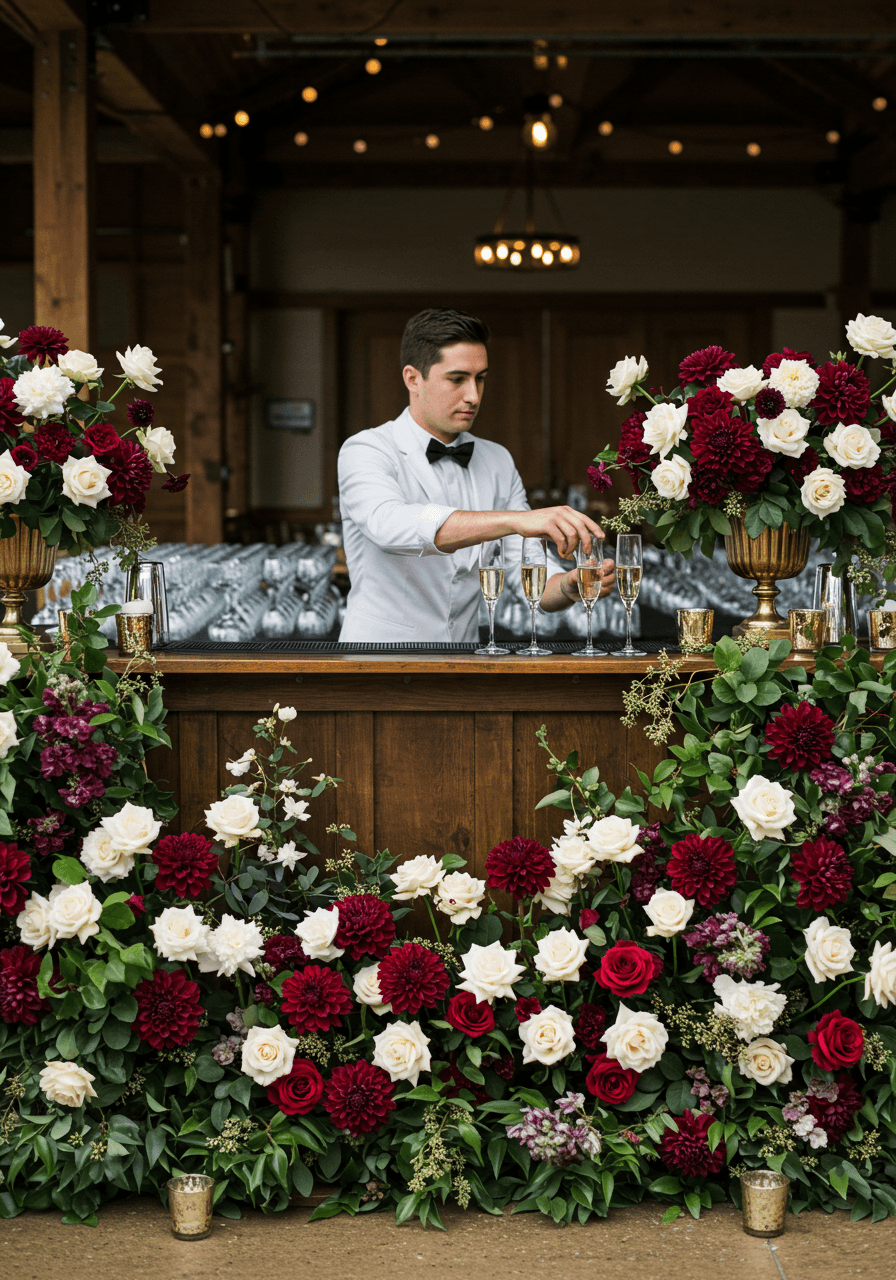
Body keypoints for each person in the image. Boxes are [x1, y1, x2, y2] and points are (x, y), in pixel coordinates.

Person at [337, 307, 615, 642]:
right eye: (457, 379)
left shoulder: (497, 459)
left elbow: (525, 574)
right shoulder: (367, 449)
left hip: (465, 661)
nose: (473, 395)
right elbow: (389, 524)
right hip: (378, 660)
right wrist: (513, 520)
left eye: (480, 379)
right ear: (413, 378)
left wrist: (569, 587)